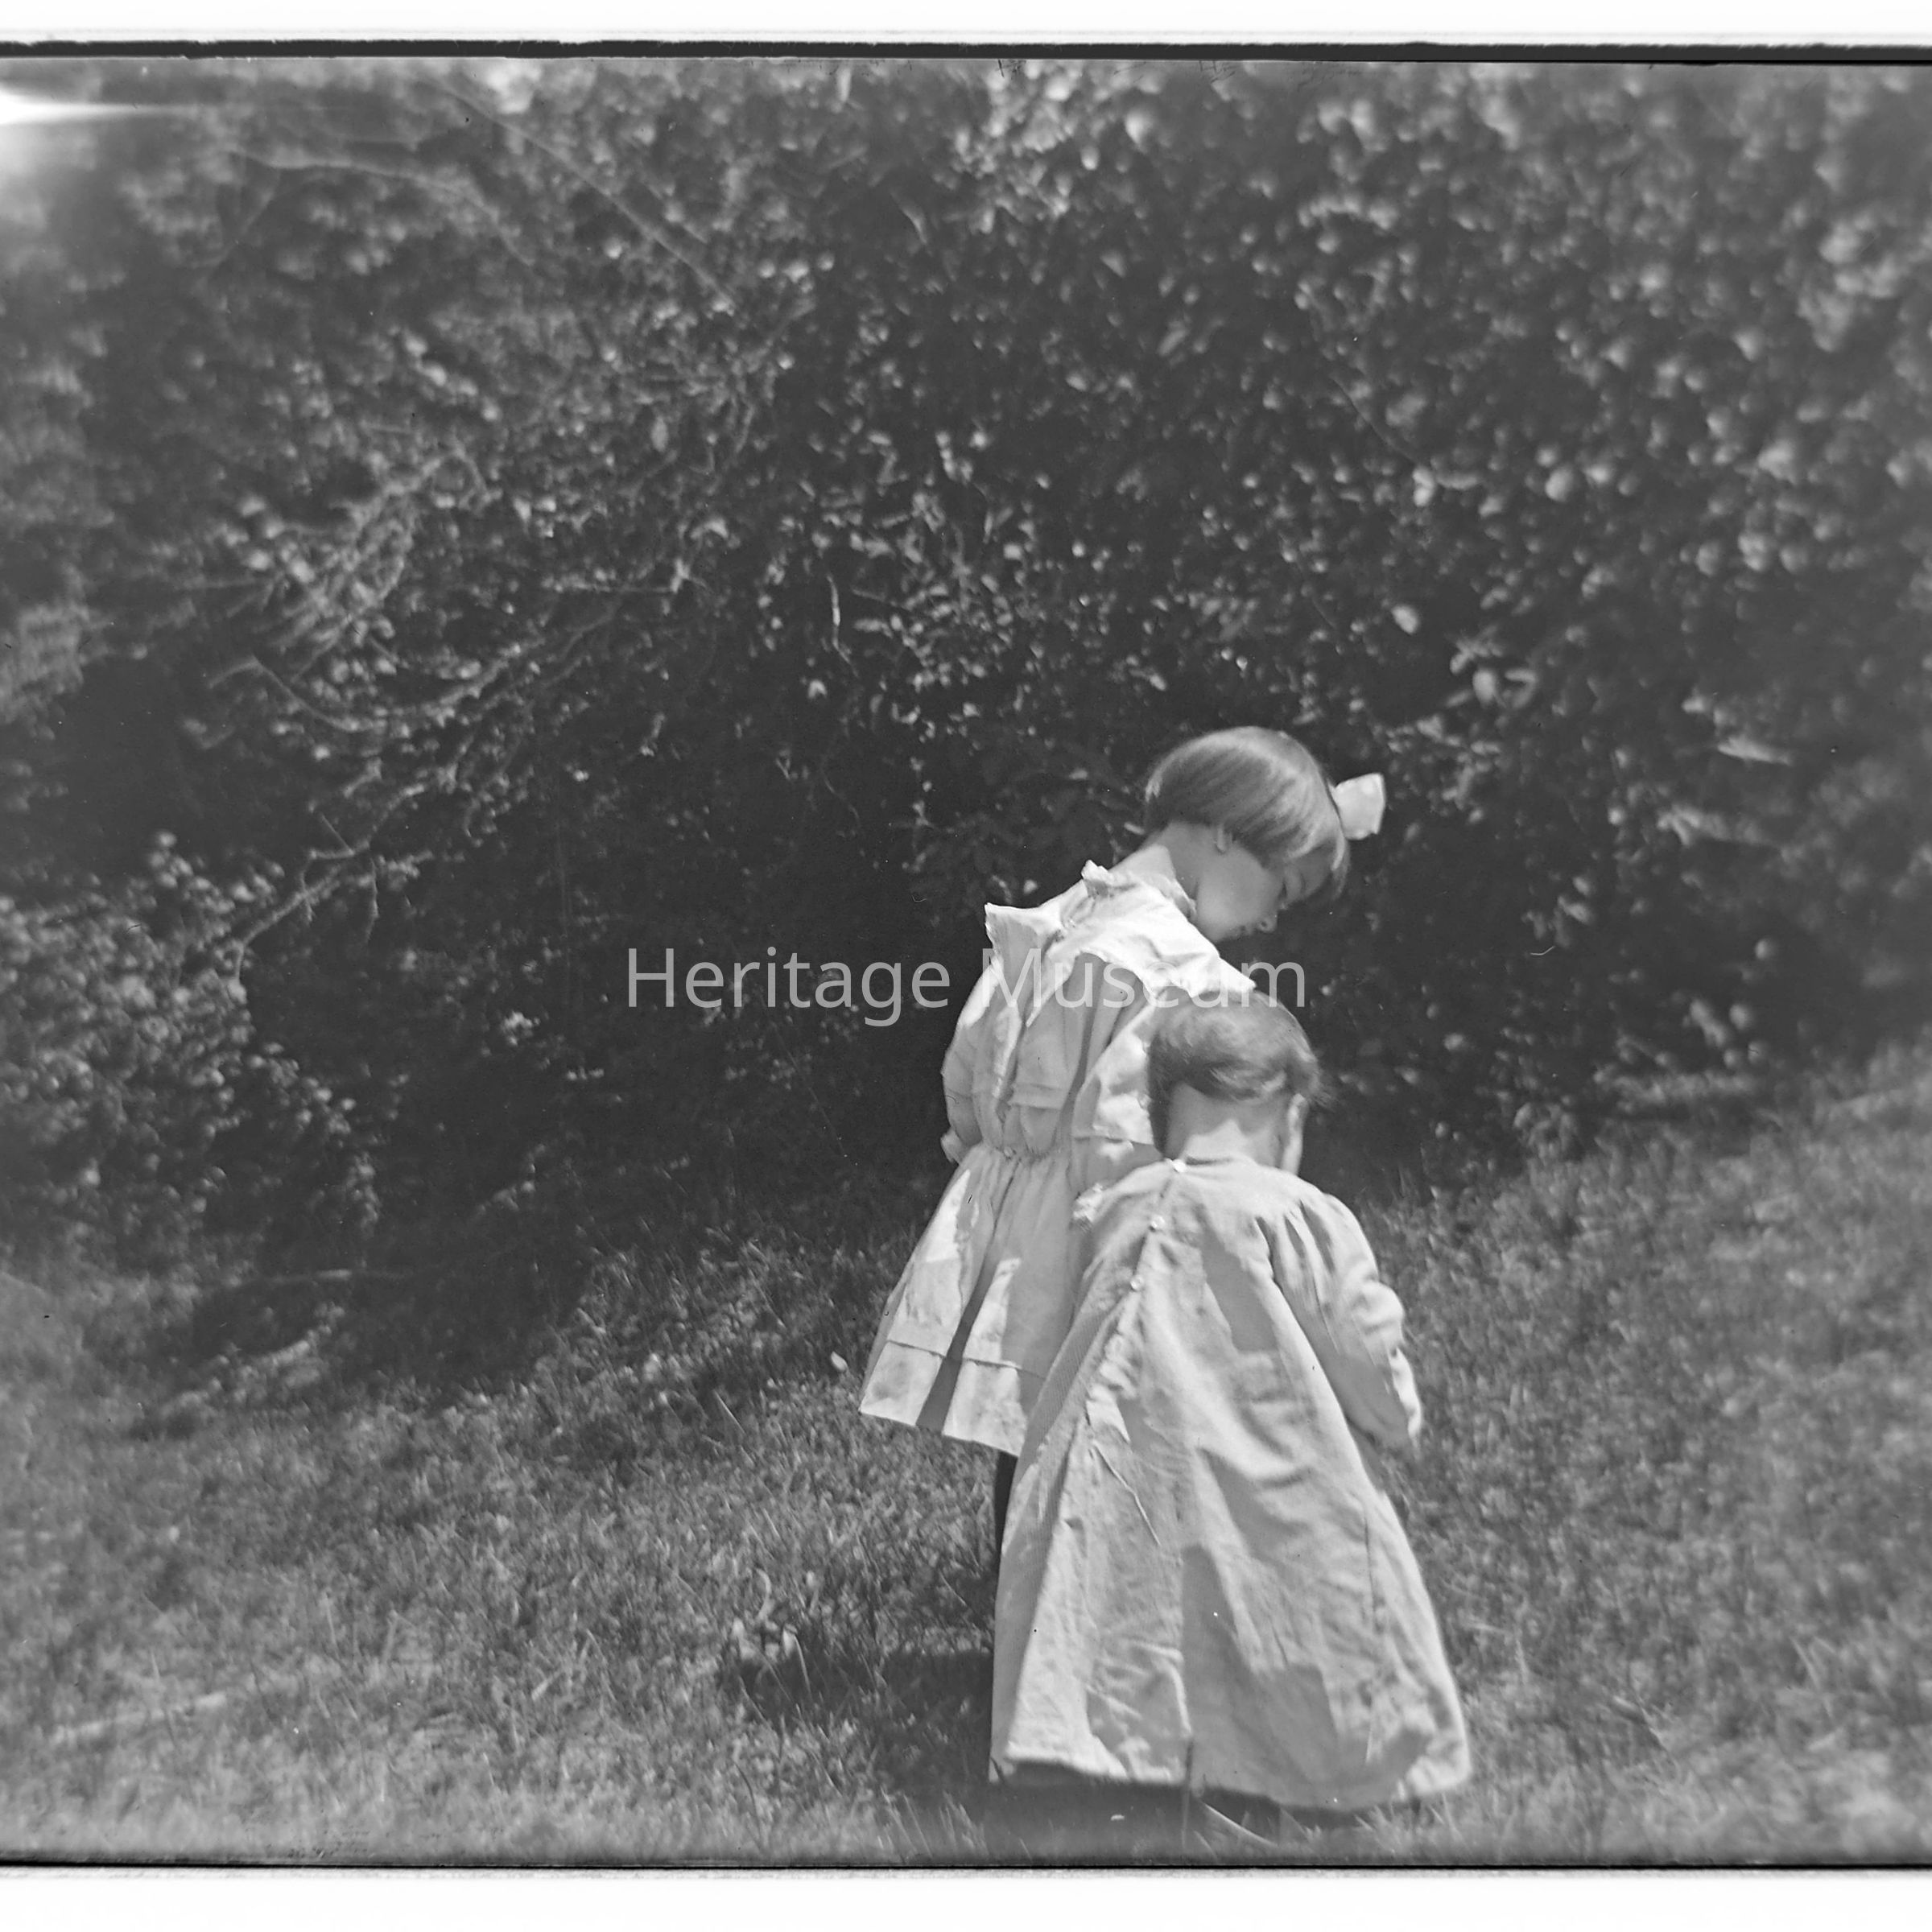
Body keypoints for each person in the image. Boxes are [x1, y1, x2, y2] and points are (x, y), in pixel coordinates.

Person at [857, 729, 1384, 1546]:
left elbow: (968, 1066)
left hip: (1020, 1224)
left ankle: (1024, 1597)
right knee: (1111, 1438)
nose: (1274, 915)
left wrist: (989, 1155)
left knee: (1038, 1435)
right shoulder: (1178, 972)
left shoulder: (1052, 922)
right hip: (1104, 1235)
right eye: (1284, 886)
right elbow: (1136, 1131)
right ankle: (1087, 1609)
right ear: (1227, 832)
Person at [988, 992, 1468, 1850]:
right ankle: (1328, 1775)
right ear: (1289, 1115)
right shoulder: (1295, 1212)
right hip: (1268, 1460)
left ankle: (1112, 1764)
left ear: (1160, 1113)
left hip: (1125, 1470)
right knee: (1314, 1592)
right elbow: (1359, 1340)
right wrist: (1394, 1416)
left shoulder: (1113, 1208)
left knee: (1131, 1610)